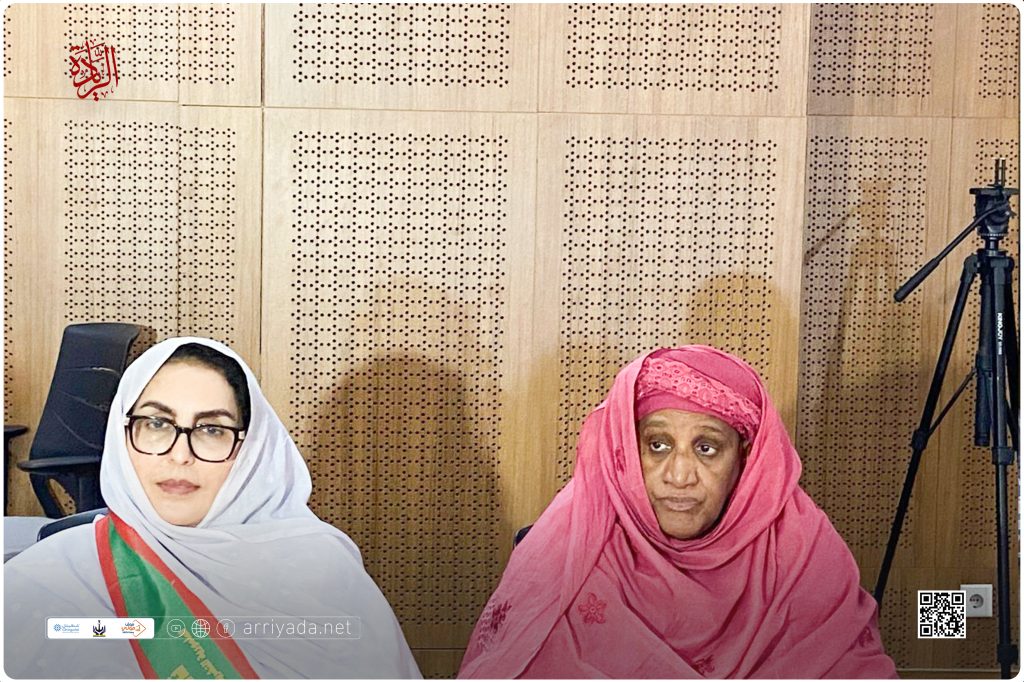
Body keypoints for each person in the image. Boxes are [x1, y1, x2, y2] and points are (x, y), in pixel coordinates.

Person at [459, 345, 897, 678]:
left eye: (707, 449)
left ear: (745, 459)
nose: (680, 475)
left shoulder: (803, 552)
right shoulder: (567, 549)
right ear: (625, 453)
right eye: (658, 445)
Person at [5, 337, 421, 679]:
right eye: (156, 424)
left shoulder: (326, 575)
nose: (180, 455)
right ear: (122, 433)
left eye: (211, 429)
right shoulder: (49, 578)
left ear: (251, 448)